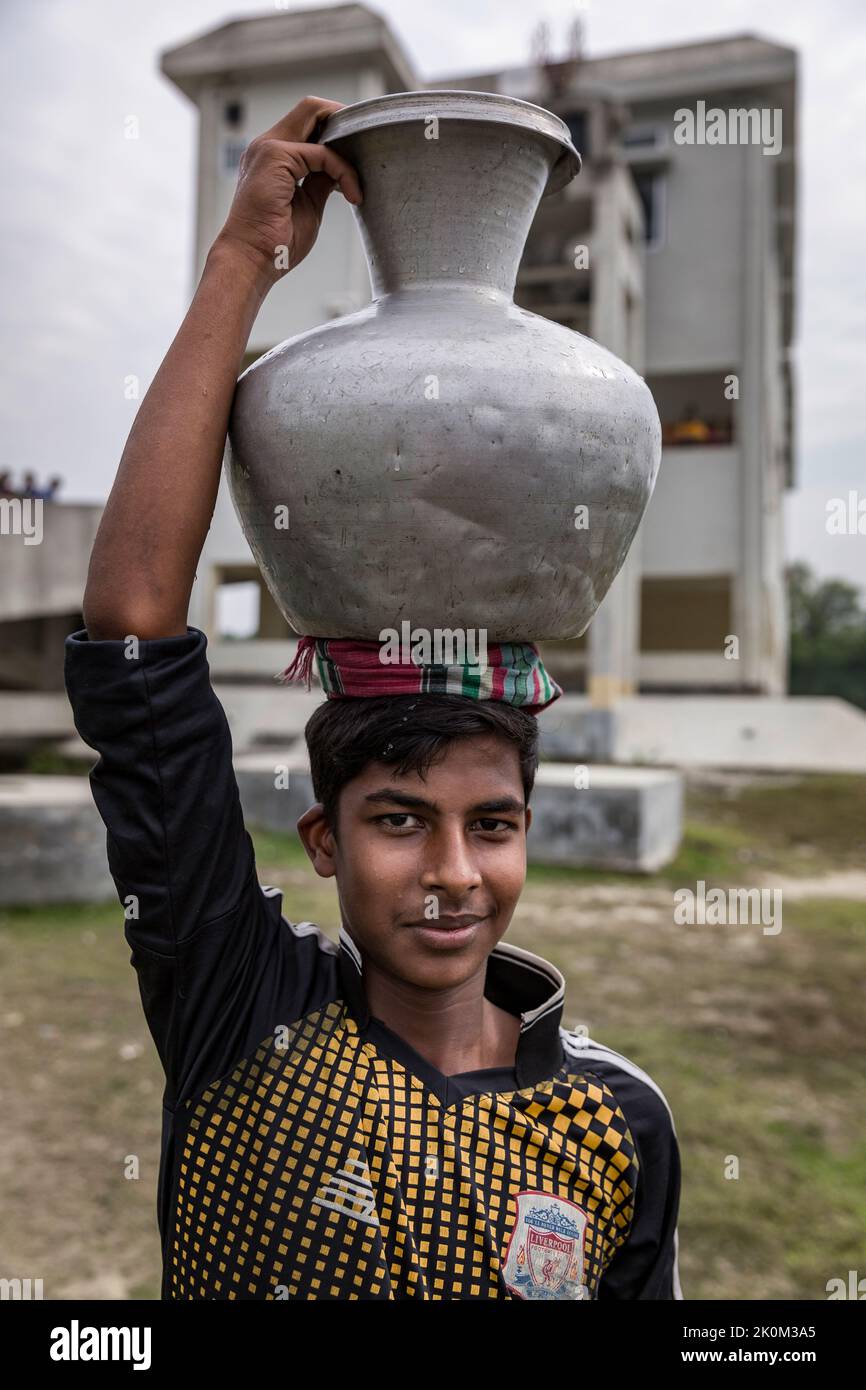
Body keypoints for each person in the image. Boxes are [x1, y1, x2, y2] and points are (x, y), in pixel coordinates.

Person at [64, 96, 683, 1302]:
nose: (454, 870)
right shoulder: (237, 1003)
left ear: (523, 831)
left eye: (489, 823)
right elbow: (134, 628)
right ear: (324, 840)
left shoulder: (619, 1124)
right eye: (399, 819)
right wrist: (242, 264)